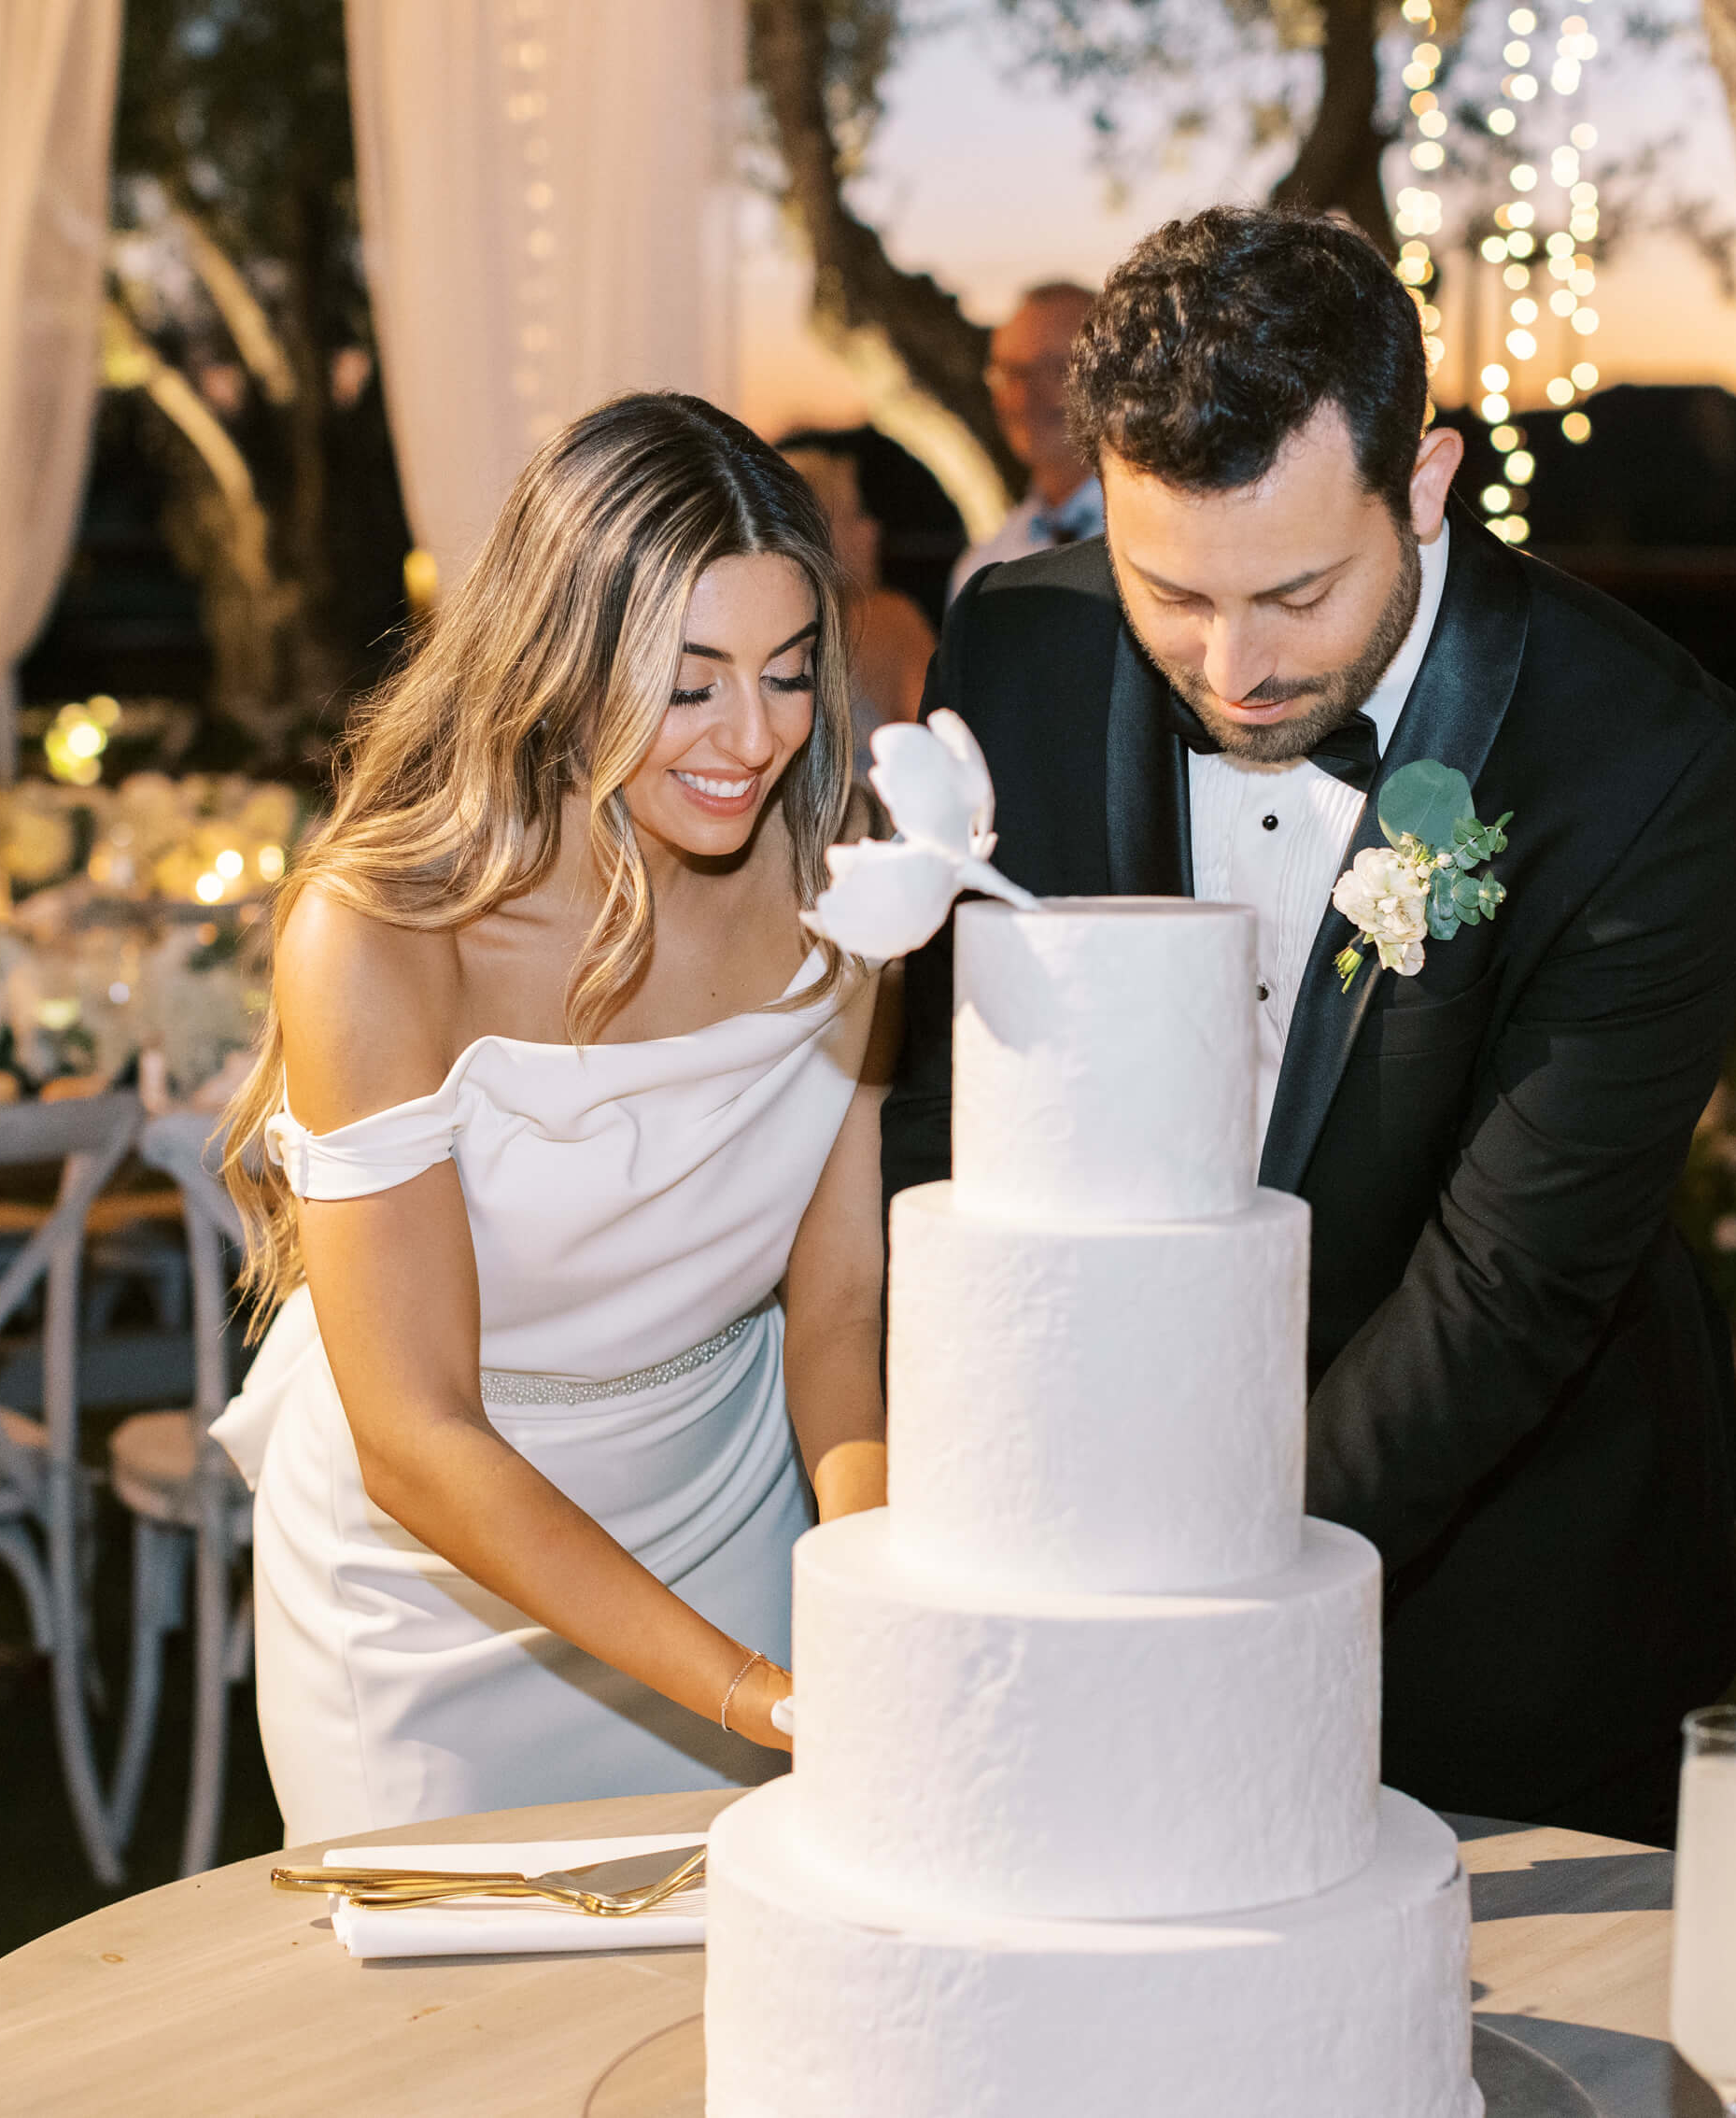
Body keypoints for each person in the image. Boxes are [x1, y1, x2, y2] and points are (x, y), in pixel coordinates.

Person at [882, 207, 1736, 1846]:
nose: (1236, 666)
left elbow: (1511, 1282)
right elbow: (955, 1102)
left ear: (1426, 484)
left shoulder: (1645, 764)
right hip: (1085, 1556)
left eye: (1296, 590)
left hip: (1506, 1613)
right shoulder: (1020, 648)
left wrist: (1190, 1560)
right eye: (1173, 591)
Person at [208, 392, 891, 1843]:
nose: (753, 738)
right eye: (689, 682)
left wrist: (879, 1595)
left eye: (788, 671)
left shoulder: (846, 886)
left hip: (728, 1517)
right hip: (427, 1588)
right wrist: (760, 1696)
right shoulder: (384, 934)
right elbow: (415, 1434)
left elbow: (835, 1318)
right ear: (563, 662)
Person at [779, 431, 936, 770]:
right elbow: (936, 749)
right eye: (857, 513)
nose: (873, 528)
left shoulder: (753, 634)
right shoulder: (888, 620)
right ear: (818, 533)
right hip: (874, 820)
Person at [949, 282, 1103, 598]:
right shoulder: (984, 568)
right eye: (1011, 373)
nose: (1025, 397)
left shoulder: (1173, 538)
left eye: (1056, 369)